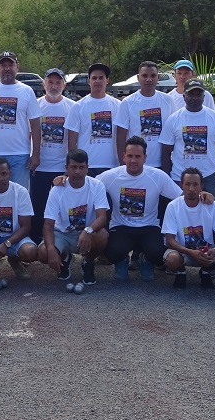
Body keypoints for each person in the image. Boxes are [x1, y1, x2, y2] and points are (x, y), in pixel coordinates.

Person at [95, 136, 181, 282]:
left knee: (158, 253)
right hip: (121, 227)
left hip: (149, 227)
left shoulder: (158, 176)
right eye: (129, 156)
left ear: (145, 157)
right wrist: (65, 180)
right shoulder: (111, 176)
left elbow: (181, 197)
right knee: (112, 251)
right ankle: (121, 260)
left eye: (138, 156)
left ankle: (146, 259)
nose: (133, 160)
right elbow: (88, 186)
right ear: (123, 156)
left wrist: (202, 196)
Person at [37, 149, 109, 288]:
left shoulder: (97, 186)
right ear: (66, 168)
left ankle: (88, 261)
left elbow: (102, 217)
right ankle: (65, 259)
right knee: (43, 252)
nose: (77, 172)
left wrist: (88, 230)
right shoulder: (57, 190)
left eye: (81, 167)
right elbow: (48, 225)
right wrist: (51, 249)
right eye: (73, 167)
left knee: (103, 235)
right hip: (63, 234)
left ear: (87, 168)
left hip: (87, 234)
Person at [162, 166, 215, 289]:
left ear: (202, 186)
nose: (191, 189)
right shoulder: (173, 206)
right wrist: (191, 252)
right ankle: (181, 272)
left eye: (195, 184)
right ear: (181, 185)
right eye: (187, 184)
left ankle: (206, 271)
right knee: (172, 259)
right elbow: (169, 240)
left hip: (207, 251)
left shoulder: (212, 205)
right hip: (183, 251)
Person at [0, 51, 41, 189]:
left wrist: (35, 154)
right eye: (3, 65)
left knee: (19, 194)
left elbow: (35, 125)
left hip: (20, 155)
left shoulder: (27, 91)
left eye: (10, 65)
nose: (7, 68)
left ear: (17, 66)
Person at [160, 79, 215, 195]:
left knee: (208, 206)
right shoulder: (173, 119)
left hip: (208, 176)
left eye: (198, 94)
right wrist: (167, 179)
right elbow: (165, 152)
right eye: (191, 94)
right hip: (180, 177)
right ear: (184, 96)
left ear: (204, 97)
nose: (194, 98)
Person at [31, 68, 76, 243]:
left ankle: (61, 242)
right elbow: (28, 134)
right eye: (50, 82)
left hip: (61, 166)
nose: (54, 86)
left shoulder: (72, 107)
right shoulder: (35, 105)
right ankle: (36, 241)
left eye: (58, 82)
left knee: (63, 207)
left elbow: (74, 139)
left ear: (64, 85)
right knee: (38, 206)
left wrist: (70, 166)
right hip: (40, 166)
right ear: (44, 84)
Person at [114, 61, 176, 168]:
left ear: (158, 77)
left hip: (162, 163)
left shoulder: (168, 100)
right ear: (138, 77)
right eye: (145, 76)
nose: (149, 79)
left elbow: (174, 132)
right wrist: (123, 164)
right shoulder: (127, 102)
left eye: (153, 76)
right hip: (136, 164)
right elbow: (120, 136)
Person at [66, 63, 121, 176]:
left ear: (107, 80)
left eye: (101, 78)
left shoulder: (118, 105)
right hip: (86, 166)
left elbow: (122, 136)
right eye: (94, 78)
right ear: (89, 81)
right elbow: (71, 141)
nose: (97, 81)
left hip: (112, 165)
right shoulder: (78, 107)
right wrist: (75, 165)